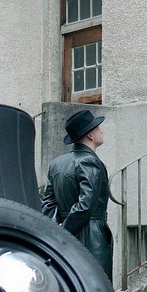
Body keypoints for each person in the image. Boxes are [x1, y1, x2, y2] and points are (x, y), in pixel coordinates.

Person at [47, 109, 113, 281]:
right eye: (98, 128)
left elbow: (48, 204)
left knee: (69, 284)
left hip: (65, 234)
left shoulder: (56, 164)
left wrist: (56, 232)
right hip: (90, 236)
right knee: (95, 285)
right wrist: (65, 232)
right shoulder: (89, 161)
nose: (101, 131)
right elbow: (86, 204)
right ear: (90, 135)